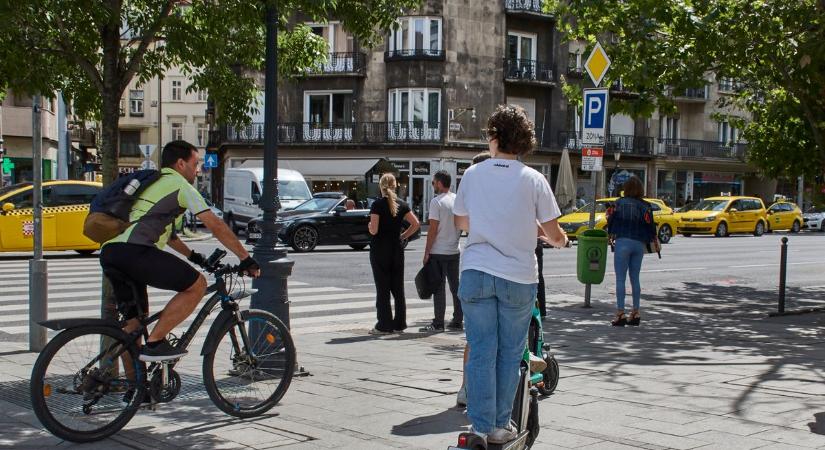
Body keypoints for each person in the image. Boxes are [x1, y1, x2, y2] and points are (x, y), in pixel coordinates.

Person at [454, 105, 568, 444]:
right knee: (508, 354)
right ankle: (500, 426)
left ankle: (479, 427)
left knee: (480, 349)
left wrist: (493, 225)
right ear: (523, 142)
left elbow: (461, 221)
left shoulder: (473, 175)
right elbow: (553, 231)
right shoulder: (534, 179)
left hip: (476, 271)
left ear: (494, 138)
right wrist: (558, 241)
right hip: (518, 277)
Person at [99, 140, 260, 362]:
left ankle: (136, 388)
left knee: (134, 325)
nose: (198, 170)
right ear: (181, 163)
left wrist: (192, 256)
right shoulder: (181, 186)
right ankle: (156, 342)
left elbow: (169, 236)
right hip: (135, 251)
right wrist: (245, 258)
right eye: (195, 164)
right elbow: (215, 224)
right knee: (197, 285)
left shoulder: (154, 183)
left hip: (112, 252)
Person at [456, 150, 492, 407]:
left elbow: (461, 224)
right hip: (498, 273)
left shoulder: (472, 197)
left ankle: (466, 388)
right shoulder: (495, 195)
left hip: (471, 270)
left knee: (474, 338)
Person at [368, 173, 420, 335]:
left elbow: (374, 230)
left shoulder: (377, 205)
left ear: (381, 186)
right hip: (397, 249)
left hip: (380, 250)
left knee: (382, 287)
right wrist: (403, 236)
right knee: (398, 288)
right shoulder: (403, 204)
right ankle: (399, 323)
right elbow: (416, 224)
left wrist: (369, 225)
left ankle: (384, 324)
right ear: (395, 185)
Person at [606, 176, 657, 327]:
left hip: (622, 242)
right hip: (638, 244)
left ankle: (620, 313)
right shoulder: (645, 205)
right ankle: (635, 312)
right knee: (635, 278)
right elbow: (650, 226)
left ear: (626, 189)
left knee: (620, 279)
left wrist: (611, 233)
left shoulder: (618, 203)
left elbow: (611, 220)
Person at [420, 170, 463, 333]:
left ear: (439, 183)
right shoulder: (457, 200)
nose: (433, 186)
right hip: (454, 250)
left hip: (438, 251)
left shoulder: (436, 202)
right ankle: (458, 320)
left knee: (438, 288)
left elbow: (432, 229)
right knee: (455, 286)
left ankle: (438, 323)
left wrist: (426, 252)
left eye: (433, 183)